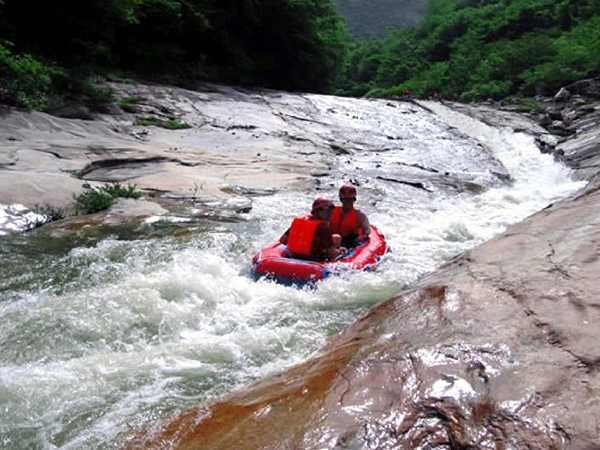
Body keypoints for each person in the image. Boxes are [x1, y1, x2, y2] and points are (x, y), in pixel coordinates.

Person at [280, 198, 344, 261]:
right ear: (316, 211)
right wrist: (340, 252)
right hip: (313, 259)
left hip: (293, 256)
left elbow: (283, 240)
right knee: (338, 243)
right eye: (326, 211)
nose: (329, 213)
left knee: (336, 237)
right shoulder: (323, 227)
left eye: (330, 211)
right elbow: (332, 253)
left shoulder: (301, 221)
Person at [329, 184, 370, 248]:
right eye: (345, 199)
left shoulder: (360, 216)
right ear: (341, 200)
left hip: (349, 242)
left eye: (350, 199)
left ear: (354, 199)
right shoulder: (331, 211)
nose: (347, 202)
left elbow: (367, 232)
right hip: (332, 239)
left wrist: (361, 238)